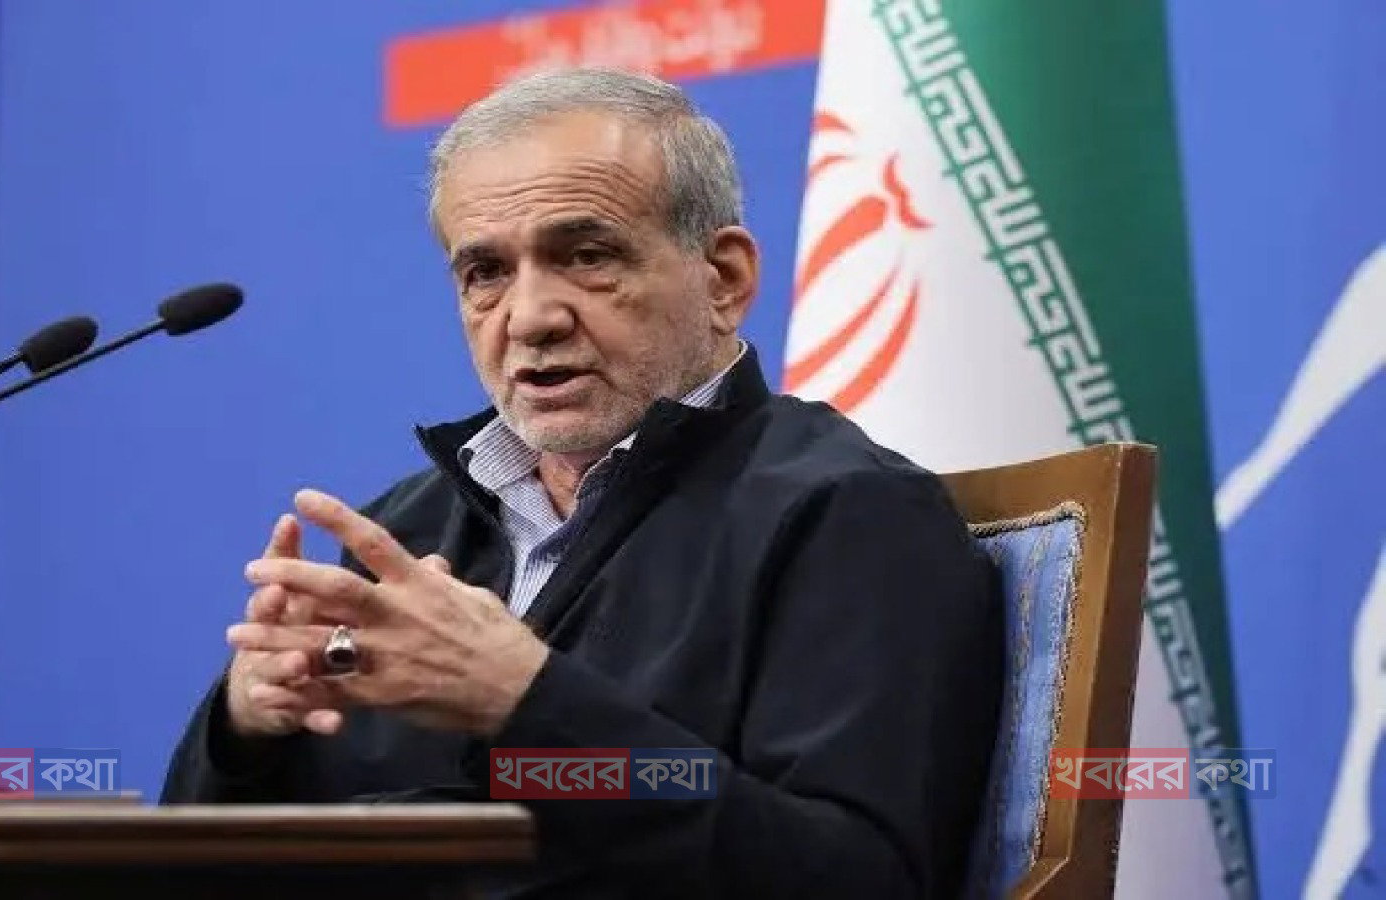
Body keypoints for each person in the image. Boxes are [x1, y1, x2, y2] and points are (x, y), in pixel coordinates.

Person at [162, 68, 1003, 898]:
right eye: (485, 272)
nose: (531, 318)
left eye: (588, 256)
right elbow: (190, 869)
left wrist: (526, 703)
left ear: (724, 280)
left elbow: (851, 875)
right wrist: (244, 732)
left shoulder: (847, 515)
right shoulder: (404, 539)